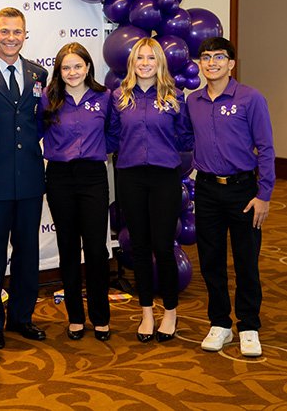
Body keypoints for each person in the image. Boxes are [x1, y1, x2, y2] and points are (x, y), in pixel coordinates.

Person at [187, 37, 275, 357]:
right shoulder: (193, 101)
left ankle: (249, 325)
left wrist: (264, 194)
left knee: (246, 260)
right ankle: (220, 323)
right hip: (207, 189)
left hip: (243, 191)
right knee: (211, 260)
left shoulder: (251, 98)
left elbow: (266, 148)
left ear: (231, 64)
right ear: (200, 63)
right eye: (206, 57)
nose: (212, 62)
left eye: (219, 57)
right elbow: (184, 138)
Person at [0, 7, 49, 348]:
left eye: (17, 32)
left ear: (25, 35)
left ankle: (22, 317)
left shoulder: (38, 74)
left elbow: (40, 123)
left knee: (27, 253)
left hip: (29, 178)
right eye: (4, 31)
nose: (11, 38)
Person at [111, 37, 192, 344]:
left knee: (163, 246)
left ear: (160, 63)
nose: (145, 63)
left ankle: (170, 312)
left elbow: (185, 138)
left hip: (164, 178)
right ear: (132, 63)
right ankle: (146, 312)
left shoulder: (175, 96)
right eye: (140, 58)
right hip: (131, 177)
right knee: (140, 247)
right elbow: (112, 136)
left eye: (151, 58)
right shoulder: (119, 97)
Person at [39, 42, 115, 341]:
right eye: (66, 67)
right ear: (59, 71)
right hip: (60, 177)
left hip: (93, 176)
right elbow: (36, 131)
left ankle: (100, 316)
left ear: (88, 67)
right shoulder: (48, 98)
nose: (72, 72)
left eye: (78, 66)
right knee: (68, 248)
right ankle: (75, 316)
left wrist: (96, 150)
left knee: (96, 249)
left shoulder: (104, 96)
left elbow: (114, 134)